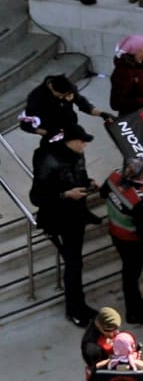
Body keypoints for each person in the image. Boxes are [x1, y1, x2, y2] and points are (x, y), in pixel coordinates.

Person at [29, 124, 99, 326]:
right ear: (71, 141)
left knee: (76, 263)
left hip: (76, 216)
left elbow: (80, 176)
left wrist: (89, 184)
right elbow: (37, 197)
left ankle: (80, 305)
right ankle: (74, 309)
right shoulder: (48, 159)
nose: (85, 145)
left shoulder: (78, 155)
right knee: (73, 264)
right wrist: (65, 194)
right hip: (58, 219)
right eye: (82, 141)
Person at [99, 157, 143, 323]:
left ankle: (137, 301)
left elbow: (103, 193)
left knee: (130, 275)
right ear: (140, 177)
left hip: (115, 231)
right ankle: (134, 312)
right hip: (132, 241)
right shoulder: (138, 201)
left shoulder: (114, 176)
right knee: (131, 276)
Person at [20, 74, 115, 144]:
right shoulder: (36, 99)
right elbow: (25, 125)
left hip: (70, 124)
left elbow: (83, 104)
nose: (63, 98)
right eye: (60, 95)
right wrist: (47, 133)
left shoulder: (67, 89)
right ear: (52, 88)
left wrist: (102, 114)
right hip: (53, 132)